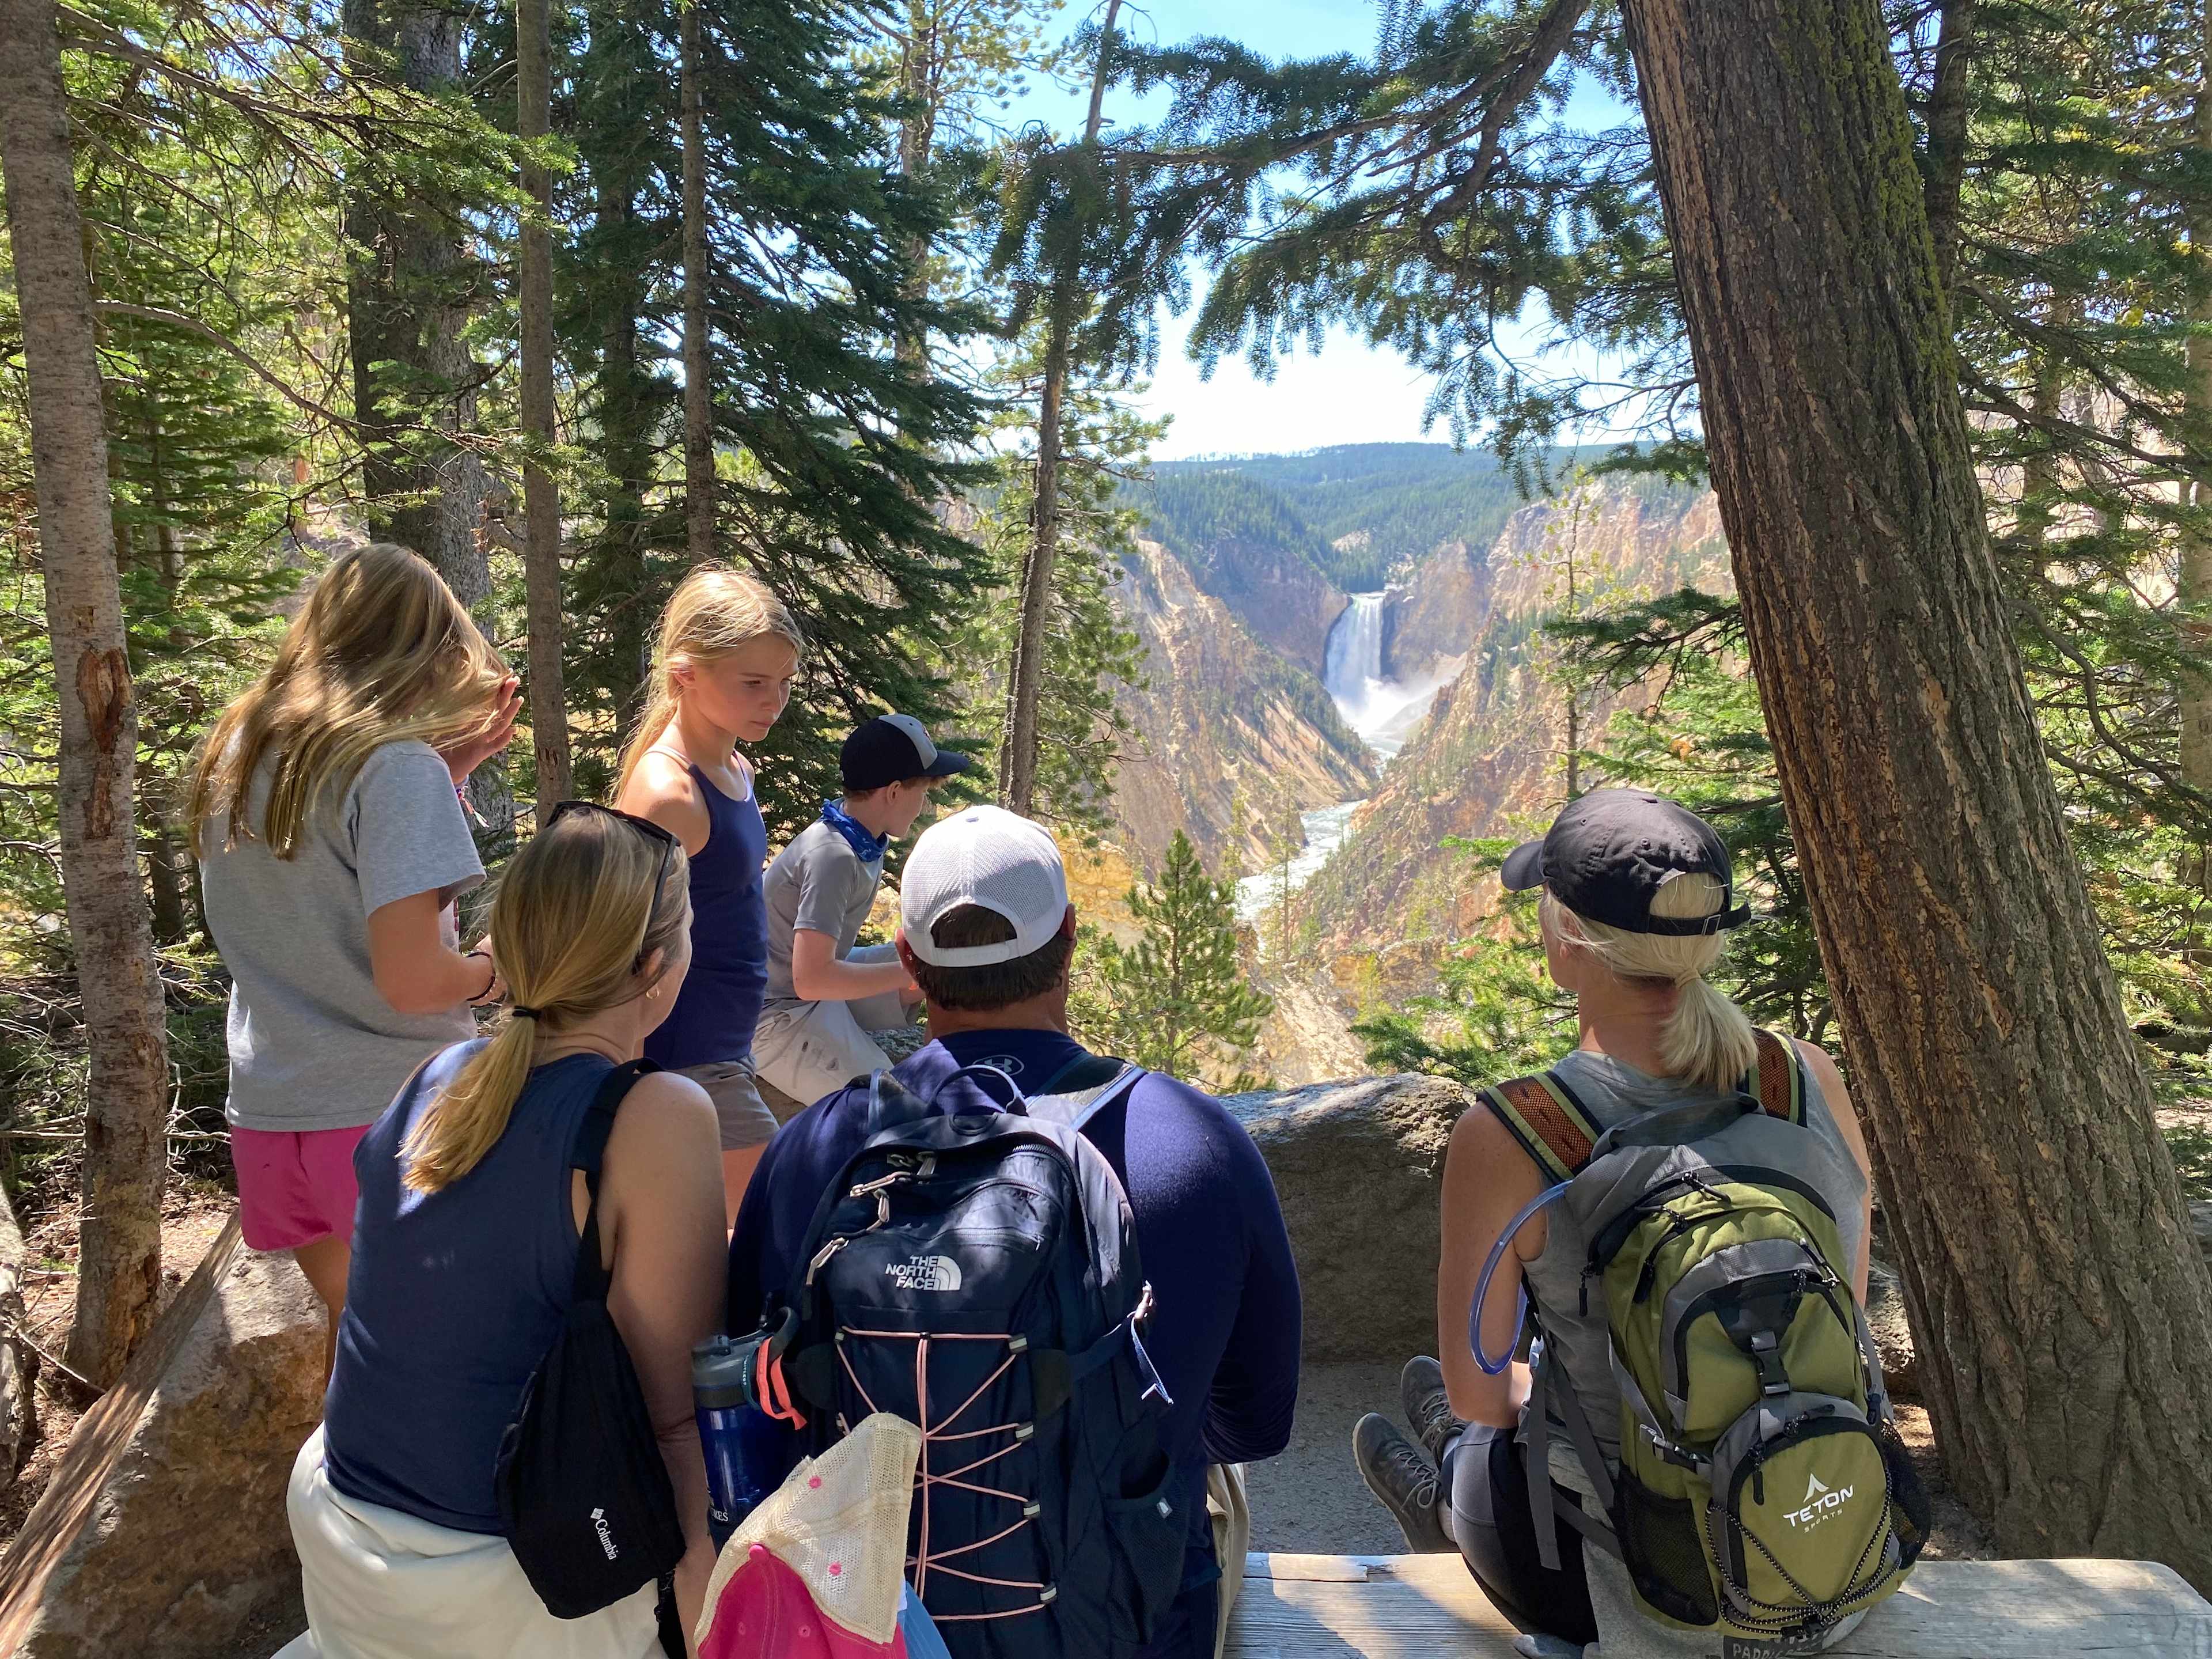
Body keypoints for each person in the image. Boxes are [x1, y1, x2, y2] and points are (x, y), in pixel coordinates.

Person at [728, 805, 1302, 1659]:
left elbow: (755, 1411)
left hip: (860, 1630)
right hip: (1127, 1629)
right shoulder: (1197, 1144)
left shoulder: (812, 1152)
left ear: (909, 961)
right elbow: (1256, 1422)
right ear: (1069, 938)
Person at [1350, 790, 1876, 1659]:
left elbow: (1484, 1389)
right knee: (1493, 1412)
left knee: (1476, 1423)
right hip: (1829, 1544)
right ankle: (1451, 1461)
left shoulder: (1519, 1132)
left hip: (1633, 1587)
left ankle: (1443, 1495)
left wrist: (1538, 1394)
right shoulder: (1803, 1078)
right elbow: (1843, 1316)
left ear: (1566, 936)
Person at [283, 802, 727, 1659]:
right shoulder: (654, 1115)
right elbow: (675, 1423)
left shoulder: (439, 1074)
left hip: (342, 1538)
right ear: (654, 965)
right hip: (506, 1585)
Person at [191, 543, 518, 1331]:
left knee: (361, 1333)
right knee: (443, 1348)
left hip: (273, 1114)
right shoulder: (393, 765)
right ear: (432, 650)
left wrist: (449, 772)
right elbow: (413, 981)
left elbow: (309, 893)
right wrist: (494, 973)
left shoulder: (240, 748)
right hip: (390, 1118)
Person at [615, 566, 804, 1224]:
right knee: (779, 1221)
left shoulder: (734, 766)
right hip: (683, 1057)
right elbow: (622, 950)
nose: (774, 700)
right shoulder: (668, 795)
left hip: (727, 1047)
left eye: (784, 682)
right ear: (685, 674)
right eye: (753, 683)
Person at [748, 714, 968, 1109]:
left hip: (801, 988)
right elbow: (811, 979)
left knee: (933, 955)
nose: (924, 804)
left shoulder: (861, 837)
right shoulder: (833, 856)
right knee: (893, 1106)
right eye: (923, 791)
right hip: (772, 1012)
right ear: (895, 792)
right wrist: (913, 973)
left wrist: (920, 967)